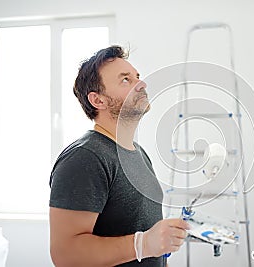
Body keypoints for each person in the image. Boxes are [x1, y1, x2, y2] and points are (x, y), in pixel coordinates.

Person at [49, 45, 189, 267]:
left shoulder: (139, 154)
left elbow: (151, 247)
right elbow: (66, 255)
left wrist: (155, 248)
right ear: (98, 100)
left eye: (137, 77)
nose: (141, 84)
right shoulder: (85, 158)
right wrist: (143, 244)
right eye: (126, 80)